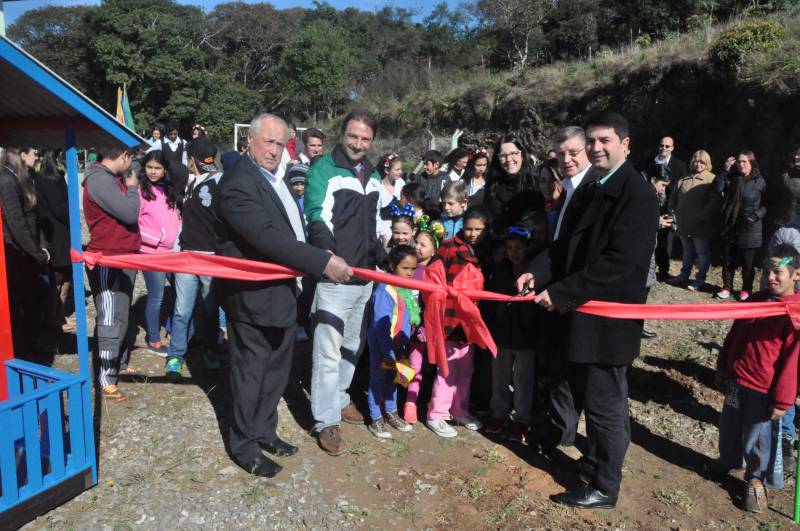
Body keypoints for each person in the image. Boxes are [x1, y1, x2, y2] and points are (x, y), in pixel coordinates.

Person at [522, 111, 658, 509]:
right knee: (587, 396)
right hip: (581, 314)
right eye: (593, 141)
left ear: (625, 144)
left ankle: (605, 486)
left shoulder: (638, 194)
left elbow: (619, 262)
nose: (597, 148)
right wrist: (536, 272)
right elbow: (566, 247)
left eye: (605, 141)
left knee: (604, 406)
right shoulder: (592, 187)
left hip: (608, 320)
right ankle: (595, 463)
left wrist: (561, 292)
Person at [215, 113, 351, 477]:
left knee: (276, 370)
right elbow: (267, 239)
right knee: (251, 372)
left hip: (284, 293)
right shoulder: (237, 183)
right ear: (249, 142)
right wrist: (321, 262)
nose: (274, 150)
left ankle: (264, 431)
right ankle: (243, 445)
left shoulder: (277, 179)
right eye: (268, 142)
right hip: (253, 296)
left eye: (280, 143)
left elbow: (294, 230)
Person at [305, 110, 386, 456]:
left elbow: (380, 219)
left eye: (365, 139)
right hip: (336, 278)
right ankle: (325, 421)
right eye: (353, 136)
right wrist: (329, 258)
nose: (358, 144)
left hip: (366, 278)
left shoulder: (374, 173)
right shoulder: (323, 168)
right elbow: (315, 215)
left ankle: (338, 398)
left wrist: (387, 251)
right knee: (327, 351)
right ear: (343, 134)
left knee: (353, 346)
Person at [716, 244, 800, 512]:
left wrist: (783, 400)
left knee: (759, 438)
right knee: (729, 426)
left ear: (796, 274)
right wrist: (723, 366)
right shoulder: (755, 300)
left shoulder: (794, 314)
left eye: (778, 272)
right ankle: (728, 461)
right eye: (766, 272)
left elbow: (792, 363)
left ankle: (756, 480)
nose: (770, 278)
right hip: (737, 380)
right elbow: (734, 334)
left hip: (764, 390)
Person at [425, 206, 490, 438]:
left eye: (478, 229)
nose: (473, 233)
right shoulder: (449, 246)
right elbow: (433, 275)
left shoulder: (486, 250)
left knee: (465, 368)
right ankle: (437, 413)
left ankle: (459, 409)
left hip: (471, 318)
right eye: (469, 228)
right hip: (451, 316)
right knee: (447, 368)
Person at [82, 146, 140, 402]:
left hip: (124, 255)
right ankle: (106, 377)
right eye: (132, 159)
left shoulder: (110, 179)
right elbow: (130, 213)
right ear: (124, 156)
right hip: (107, 258)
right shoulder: (99, 180)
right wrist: (133, 188)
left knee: (123, 315)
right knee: (109, 319)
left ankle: (119, 364)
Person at [164, 136, 223, 378]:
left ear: (192, 160)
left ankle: (210, 349)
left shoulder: (220, 182)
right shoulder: (191, 184)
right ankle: (175, 355)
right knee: (182, 309)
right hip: (187, 257)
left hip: (211, 258)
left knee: (210, 309)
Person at [484, 217, 545, 443]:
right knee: (499, 377)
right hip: (501, 334)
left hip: (526, 337)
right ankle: (498, 414)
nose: (514, 253)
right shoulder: (499, 271)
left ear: (527, 248)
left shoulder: (535, 274)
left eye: (518, 248)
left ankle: (521, 419)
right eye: (510, 248)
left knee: (523, 380)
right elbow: (490, 303)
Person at [0, 147, 50, 356]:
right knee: (23, 303)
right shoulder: (7, 180)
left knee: (33, 299)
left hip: (25, 252)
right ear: (20, 154)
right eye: (33, 152)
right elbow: (16, 223)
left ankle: (27, 345)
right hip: (16, 255)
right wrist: (36, 253)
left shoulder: (19, 178)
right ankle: (22, 349)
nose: (37, 155)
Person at [366, 245, 418, 438]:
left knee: (393, 378)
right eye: (405, 268)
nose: (410, 273)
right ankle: (375, 418)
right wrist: (387, 351)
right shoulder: (384, 291)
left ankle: (391, 411)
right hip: (383, 347)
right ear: (391, 265)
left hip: (399, 346)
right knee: (378, 379)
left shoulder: (405, 289)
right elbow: (380, 326)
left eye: (413, 269)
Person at [137, 150, 181, 355]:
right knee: (156, 297)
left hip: (172, 253)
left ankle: (173, 331)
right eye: (150, 167)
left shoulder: (168, 190)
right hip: (151, 253)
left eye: (158, 168)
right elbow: (134, 223)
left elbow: (175, 218)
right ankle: (153, 339)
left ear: (165, 170)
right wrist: (158, 239)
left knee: (178, 293)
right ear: (144, 168)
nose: (153, 172)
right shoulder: (140, 191)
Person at [403, 216, 443, 423]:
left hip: (426, 329)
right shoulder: (407, 268)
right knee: (409, 364)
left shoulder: (434, 272)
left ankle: (417, 400)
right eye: (416, 242)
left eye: (423, 244)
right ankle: (406, 400)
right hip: (406, 327)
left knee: (425, 367)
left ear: (434, 250)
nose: (417, 247)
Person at [716, 150, 767, 301]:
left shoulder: (760, 181)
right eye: (739, 161)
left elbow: (768, 204)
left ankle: (746, 289)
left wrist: (756, 216)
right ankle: (726, 287)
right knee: (728, 259)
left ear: (752, 163)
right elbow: (718, 189)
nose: (741, 164)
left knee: (748, 262)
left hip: (750, 227)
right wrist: (725, 170)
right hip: (731, 225)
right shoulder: (732, 178)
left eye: (745, 161)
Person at [666, 150, 720, 291]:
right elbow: (674, 196)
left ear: (707, 163)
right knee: (687, 251)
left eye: (702, 161)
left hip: (701, 223)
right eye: (696, 161)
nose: (698, 164)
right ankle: (684, 275)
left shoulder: (712, 179)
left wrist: (703, 216)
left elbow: (714, 202)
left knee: (702, 252)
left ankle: (700, 279)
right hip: (683, 222)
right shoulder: (684, 178)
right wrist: (672, 210)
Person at [36, 150, 74, 332]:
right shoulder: (49, 178)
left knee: (65, 274)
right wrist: (73, 218)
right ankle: (54, 317)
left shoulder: (49, 175)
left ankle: (59, 314)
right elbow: (59, 208)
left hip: (60, 232)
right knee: (58, 277)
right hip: (57, 233)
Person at [484, 135, 542, 232]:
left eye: (513, 153)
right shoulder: (492, 185)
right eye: (503, 155)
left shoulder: (535, 184)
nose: (508, 159)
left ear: (522, 155)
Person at [649, 136, 688, 279]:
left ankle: (663, 269)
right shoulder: (650, 161)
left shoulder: (679, 165)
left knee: (664, 240)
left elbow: (681, 187)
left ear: (672, 148)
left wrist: (666, 189)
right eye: (661, 145)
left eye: (667, 146)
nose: (663, 148)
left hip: (667, 206)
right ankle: (650, 268)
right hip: (650, 203)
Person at [377, 152, 405, 245]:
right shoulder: (378, 187)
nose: (400, 172)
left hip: (400, 229)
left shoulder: (401, 183)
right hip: (383, 230)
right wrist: (383, 234)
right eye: (397, 169)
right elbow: (375, 215)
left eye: (401, 169)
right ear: (387, 171)